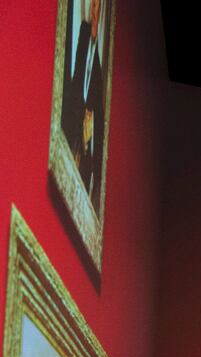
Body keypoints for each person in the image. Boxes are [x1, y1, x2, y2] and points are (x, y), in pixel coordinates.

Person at [61, 0, 107, 204]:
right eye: (94, 6)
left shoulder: (97, 66)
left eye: (99, 8)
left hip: (83, 154)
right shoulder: (80, 39)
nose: (95, 12)